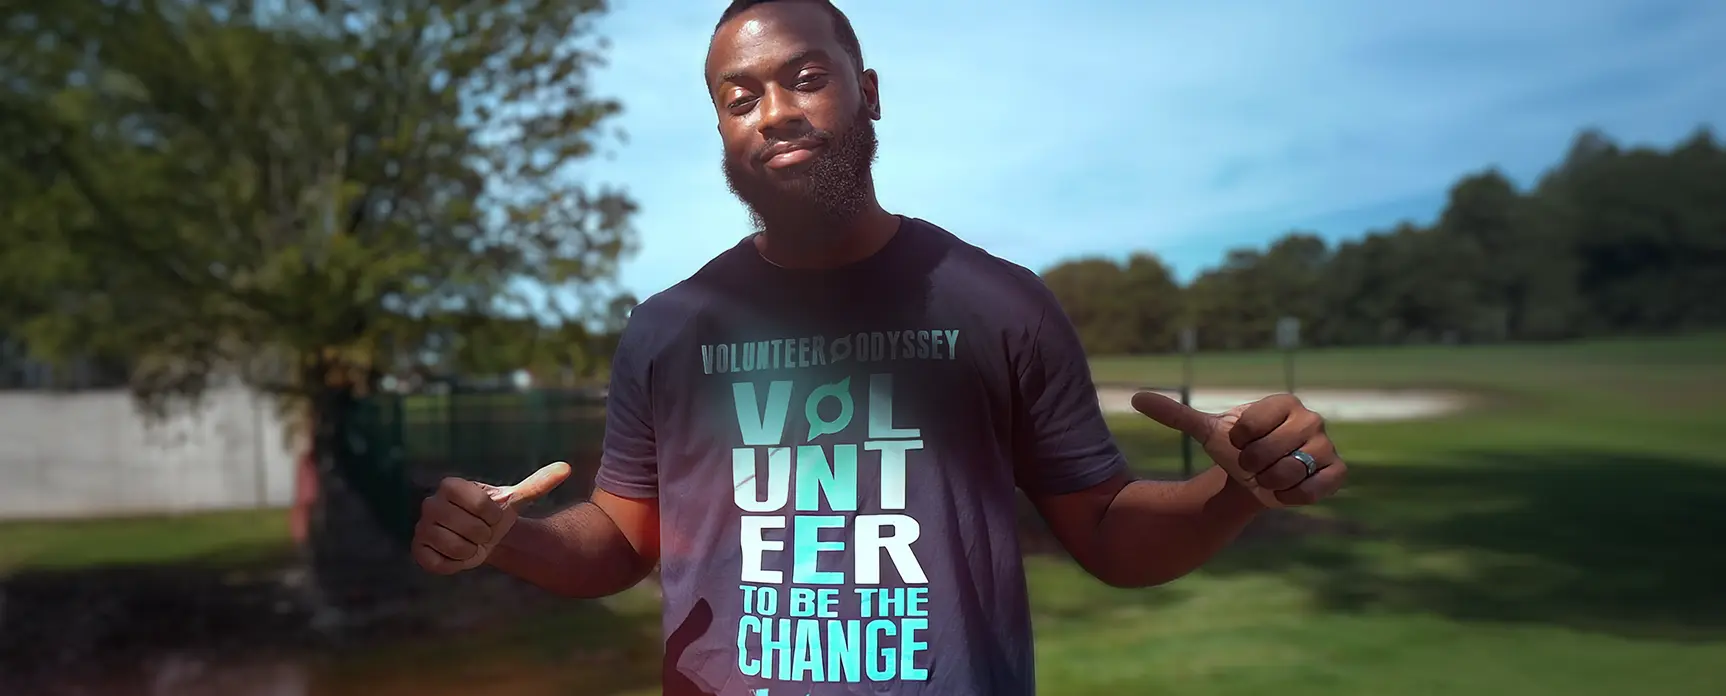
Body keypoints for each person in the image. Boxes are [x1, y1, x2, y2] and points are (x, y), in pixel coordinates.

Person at [410, 1, 1349, 694]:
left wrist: (1236, 492)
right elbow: (619, 541)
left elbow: (1107, 533)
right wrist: (508, 540)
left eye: (805, 79)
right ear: (725, 133)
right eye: (740, 99)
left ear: (866, 93)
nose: (773, 111)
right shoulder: (669, 328)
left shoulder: (998, 304)